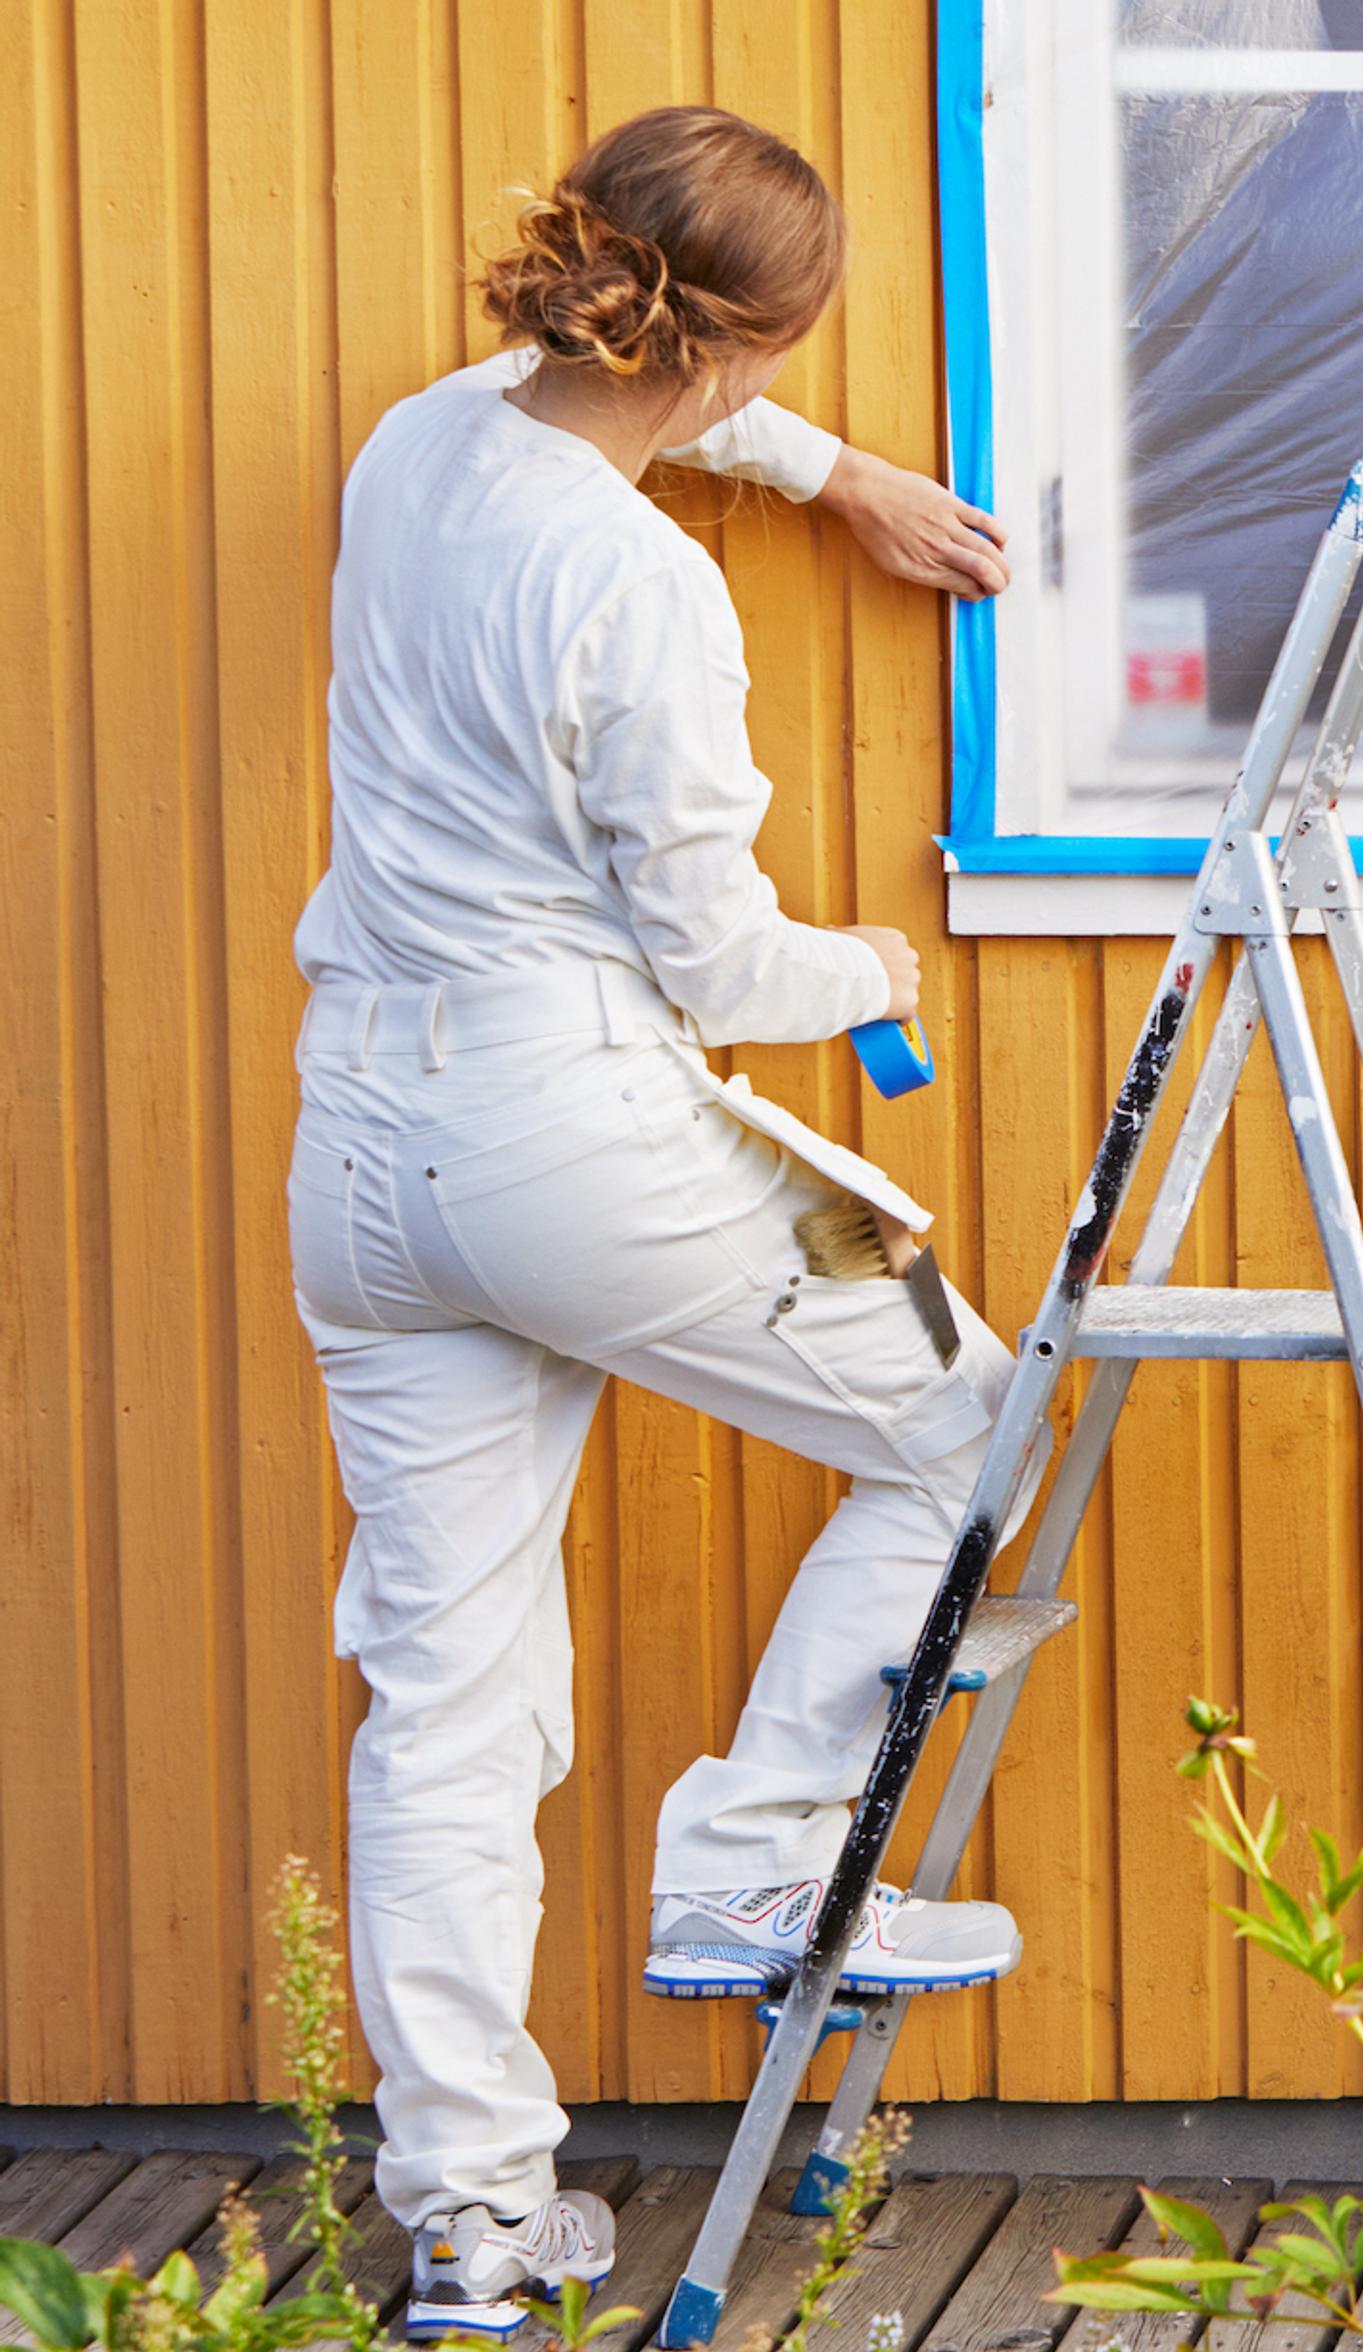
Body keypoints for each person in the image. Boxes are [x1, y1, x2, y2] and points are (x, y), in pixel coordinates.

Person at [290, 105, 1032, 2340]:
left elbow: (625, 428)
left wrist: (828, 473)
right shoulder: (645, 588)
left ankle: (474, 2230)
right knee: (971, 1422)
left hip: (362, 1159)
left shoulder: (419, 446)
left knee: (444, 1685)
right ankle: (758, 1854)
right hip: (577, 1137)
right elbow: (719, 969)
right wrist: (877, 973)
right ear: (750, 341)